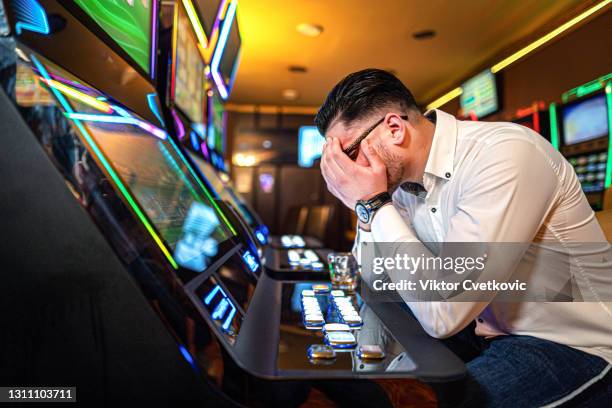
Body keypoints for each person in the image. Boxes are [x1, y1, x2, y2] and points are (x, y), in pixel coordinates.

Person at [316, 68, 612, 407]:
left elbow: (444, 311)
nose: (346, 172)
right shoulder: (394, 184)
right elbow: (374, 281)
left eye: (349, 154)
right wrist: (368, 209)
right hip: (480, 326)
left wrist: (372, 202)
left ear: (394, 129)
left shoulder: (504, 154)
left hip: (571, 343)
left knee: (435, 401)